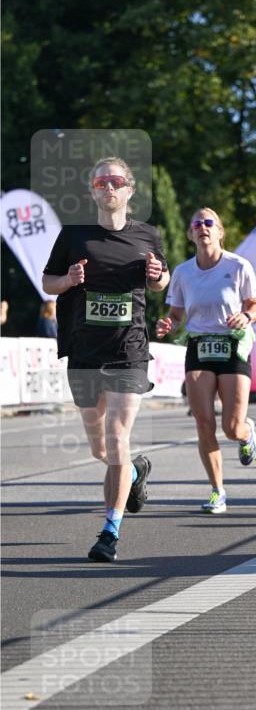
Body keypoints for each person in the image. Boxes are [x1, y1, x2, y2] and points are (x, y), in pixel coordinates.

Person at [42, 157, 169, 562]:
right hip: (83, 349)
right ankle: (132, 472)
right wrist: (68, 281)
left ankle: (109, 532)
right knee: (102, 449)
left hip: (128, 349)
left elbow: (161, 279)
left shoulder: (148, 235)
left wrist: (156, 276)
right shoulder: (74, 235)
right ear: (93, 191)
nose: (108, 187)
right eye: (101, 182)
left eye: (116, 181)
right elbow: (48, 282)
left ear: (129, 190)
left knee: (117, 436)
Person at [156, 208, 256, 513]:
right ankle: (218, 491)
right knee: (204, 423)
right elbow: (176, 315)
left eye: (209, 222)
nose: (202, 227)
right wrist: (169, 325)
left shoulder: (238, 266)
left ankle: (246, 433)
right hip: (199, 346)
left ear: (219, 232)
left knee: (231, 427)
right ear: (191, 234)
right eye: (197, 224)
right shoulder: (182, 272)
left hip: (232, 345)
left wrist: (247, 315)